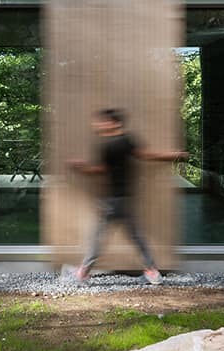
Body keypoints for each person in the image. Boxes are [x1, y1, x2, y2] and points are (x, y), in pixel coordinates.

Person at [66, 108, 187, 285]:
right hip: (123, 197)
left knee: (98, 237)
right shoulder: (127, 141)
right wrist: (173, 155)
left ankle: (83, 273)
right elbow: (147, 156)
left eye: (103, 121)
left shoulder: (109, 145)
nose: (98, 124)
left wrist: (81, 167)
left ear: (115, 123)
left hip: (114, 199)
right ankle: (152, 271)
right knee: (134, 236)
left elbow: (101, 170)